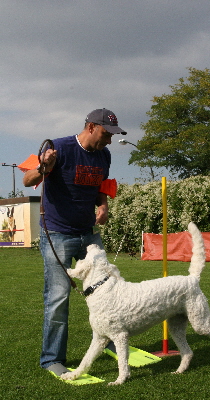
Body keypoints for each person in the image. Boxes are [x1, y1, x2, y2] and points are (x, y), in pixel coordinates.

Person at [23, 108, 127, 376]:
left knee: (111, 289)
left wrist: (103, 205)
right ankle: (52, 359)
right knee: (58, 298)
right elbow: (27, 180)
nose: (110, 140)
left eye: (113, 135)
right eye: (106, 133)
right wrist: (43, 165)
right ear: (91, 126)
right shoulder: (58, 148)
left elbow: (102, 185)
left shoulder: (104, 155)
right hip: (57, 234)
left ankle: (113, 344)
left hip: (88, 234)